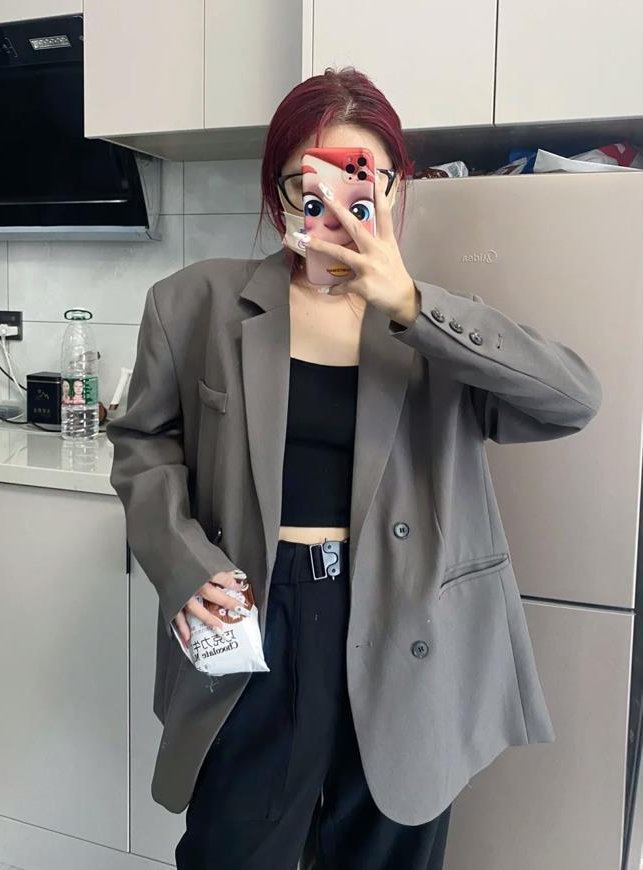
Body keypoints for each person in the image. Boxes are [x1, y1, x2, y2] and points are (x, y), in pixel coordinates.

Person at [106, 67, 602, 870]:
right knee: (235, 848)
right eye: (309, 187)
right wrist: (182, 562)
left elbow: (571, 401)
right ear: (279, 198)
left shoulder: (437, 327)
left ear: (395, 191)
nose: (334, 209)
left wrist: (411, 306)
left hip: (406, 622)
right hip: (258, 612)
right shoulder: (195, 303)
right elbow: (142, 443)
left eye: (359, 184)